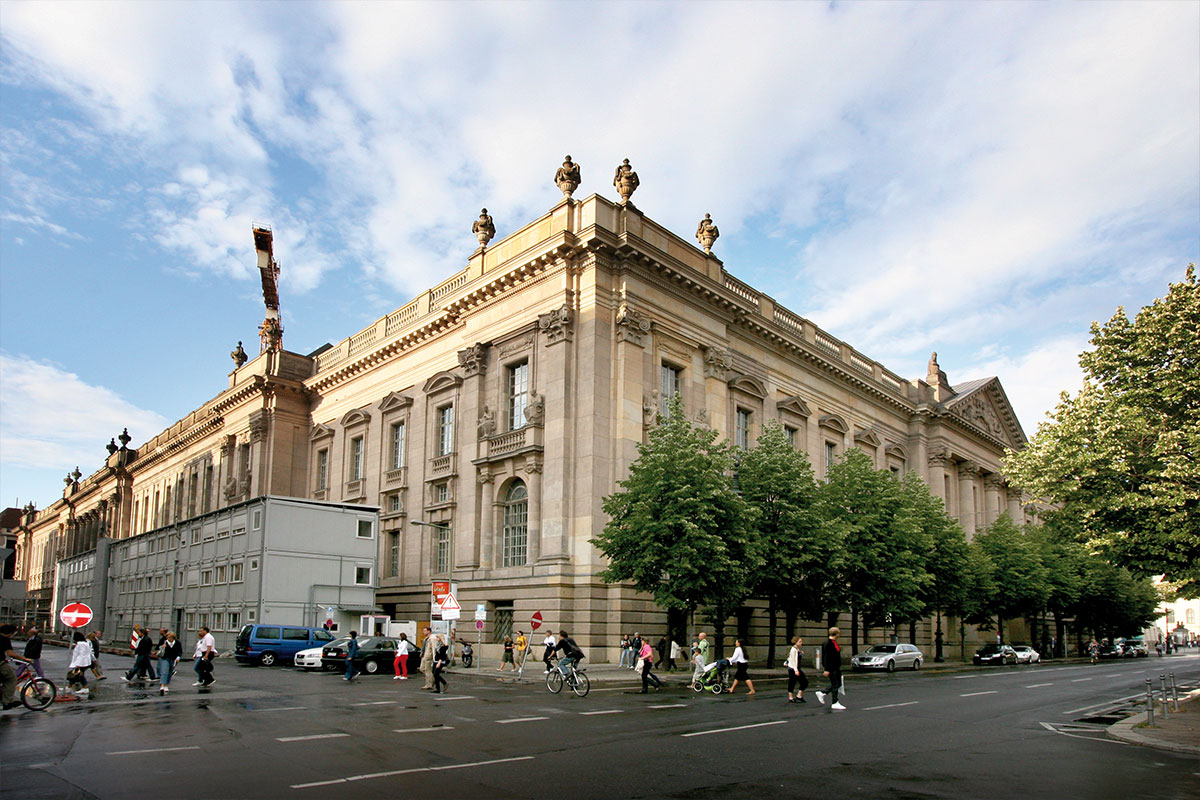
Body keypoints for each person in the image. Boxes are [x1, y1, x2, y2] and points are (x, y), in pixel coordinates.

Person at [1, 623, 36, 709]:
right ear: (10, 633)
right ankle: (7, 702)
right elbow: (10, 653)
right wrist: (24, 659)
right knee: (11, 679)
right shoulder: (5, 639)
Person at [815, 627, 845, 710]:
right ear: (836, 634)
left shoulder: (833, 642)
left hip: (836, 667)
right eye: (839, 633)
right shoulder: (827, 643)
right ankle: (834, 702)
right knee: (835, 684)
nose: (840, 634)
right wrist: (826, 669)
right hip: (831, 667)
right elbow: (826, 656)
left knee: (838, 684)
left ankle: (823, 693)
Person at [67, 631, 94, 695]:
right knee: (75, 674)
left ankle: (85, 688)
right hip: (84, 662)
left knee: (80, 675)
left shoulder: (81, 644)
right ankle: (69, 686)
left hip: (82, 662)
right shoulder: (85, 643)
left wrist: (78, 664)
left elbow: (82, 654)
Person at [785, 636, 808, 704]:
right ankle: (792, 697)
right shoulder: (793, 650)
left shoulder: (797, 649)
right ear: (795, 642)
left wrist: (801, 652)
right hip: (793, 668)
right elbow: (794, 660)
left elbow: (791, 657)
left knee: (803, 682)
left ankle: (798, 695)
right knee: (793, 682)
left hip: (795, 668)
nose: (801, 643)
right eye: (800, 641)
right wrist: (796, 670)